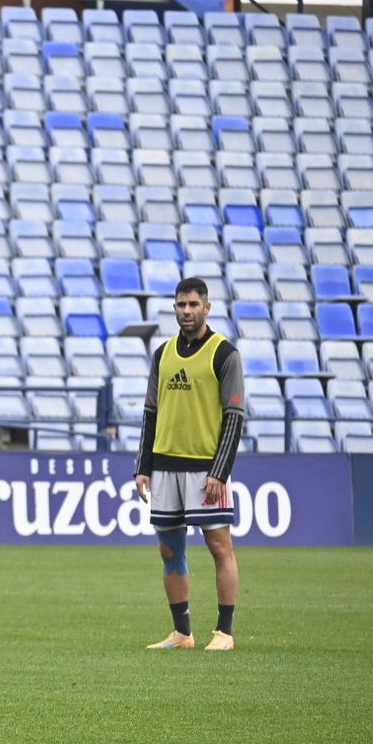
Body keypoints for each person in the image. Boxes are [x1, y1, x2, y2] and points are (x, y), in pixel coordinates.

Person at [135, 277, 246, 652]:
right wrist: (143, 465)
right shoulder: (162, 354)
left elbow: (234, 416)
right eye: (181, 305)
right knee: (169, 550)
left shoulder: (224, 353)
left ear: (207, 307)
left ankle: (224, 632)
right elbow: (151, 413)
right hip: (165, 467)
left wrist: (220, 470)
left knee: (219, 546)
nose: (187, 311)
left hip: (205, 468)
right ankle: (182, 633)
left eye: (193, 304)